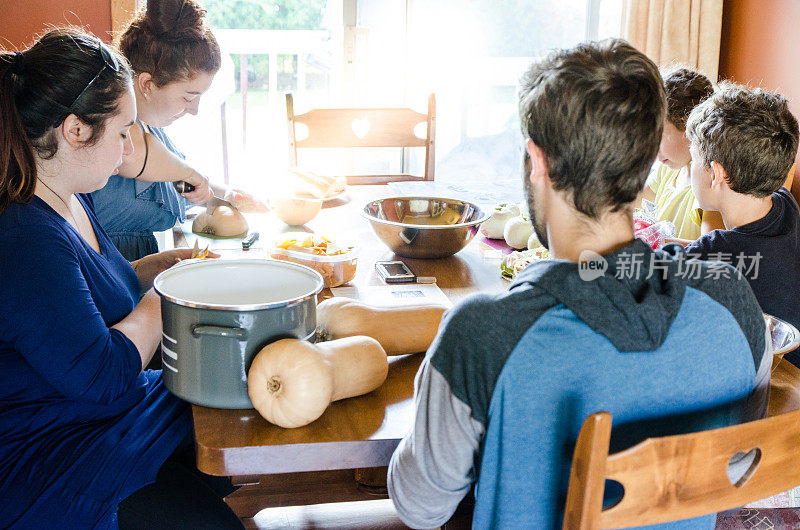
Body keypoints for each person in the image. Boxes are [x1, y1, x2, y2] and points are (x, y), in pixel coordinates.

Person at [387, 40, 769, 529]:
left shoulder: (482, 334)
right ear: (647, 163)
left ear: (538, 162)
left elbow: (420, 507)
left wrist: (435, 388)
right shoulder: (734, 302)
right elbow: (735, 467)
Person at [0, 28, 242, 528]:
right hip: (49, 455)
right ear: (75, 131)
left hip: (90, 421)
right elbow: (103, 375)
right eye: (123, 130)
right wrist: (163, 297)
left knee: (229, 420)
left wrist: (157, 268)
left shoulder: (69, 191)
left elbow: (81, 299)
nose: (131, 147)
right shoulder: (25, 234)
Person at [92, 0, 265, 261]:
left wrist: (222, 194)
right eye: (188, 97)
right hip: (102, 268)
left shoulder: (148, 127)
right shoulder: (110, 120)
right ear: (147, 83)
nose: (194, 109)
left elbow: (173, 183)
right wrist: (190, 173)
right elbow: (131, 156)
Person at [684, 82, 800, 364]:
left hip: (772, 392)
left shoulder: (712, 255)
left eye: (693, 159)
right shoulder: (786, 206)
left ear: (715, 174)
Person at [639, 66, 723, 241]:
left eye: (659, 136)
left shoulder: (709, 188)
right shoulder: (668, 170)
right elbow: (633, 202)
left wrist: (657, 243)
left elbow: (710, 251)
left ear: (691, 130)